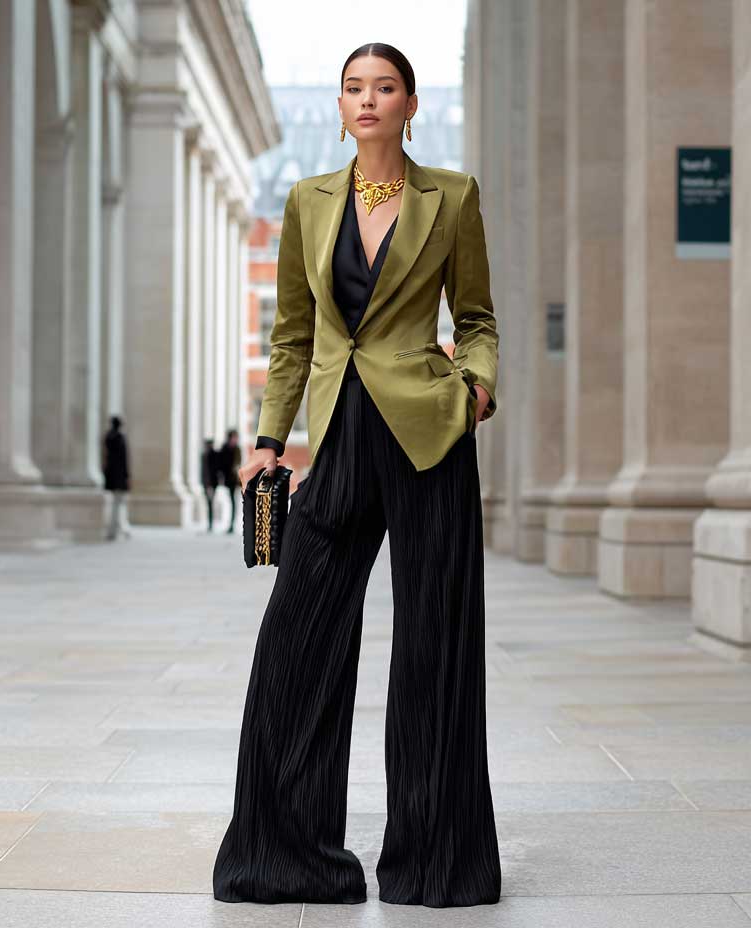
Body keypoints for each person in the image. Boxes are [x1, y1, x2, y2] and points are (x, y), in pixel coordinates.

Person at [213, 44, 500, 908]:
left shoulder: (452, 196)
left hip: (429, 436)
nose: (367, 99)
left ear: (409, 104)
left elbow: (476, 317)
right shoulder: (308, 201)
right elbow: (293, 336)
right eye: (353, 87)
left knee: (435, 646)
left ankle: (435, 864)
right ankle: (286, 857)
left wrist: (476, 389)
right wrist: (269, 438)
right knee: (296, 639)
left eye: (384, 87)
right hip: (338, 439)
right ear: (340, 108)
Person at [102, 415, 131, 540]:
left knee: (114, 504)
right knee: (119, 504)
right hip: (119, 477)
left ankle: (115, 529)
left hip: (110, 476)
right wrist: (127, 477)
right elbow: (124, 460)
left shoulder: (108, 437)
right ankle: (120, 528)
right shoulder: (120, 438)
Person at [220, 428, 242, 533]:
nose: (235, 439)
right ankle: (230, 524)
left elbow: (238, 462)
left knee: (233, 501)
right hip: (227, 478)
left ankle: (232, 524)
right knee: (231, 500)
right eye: (233, 437)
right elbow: (221, 463)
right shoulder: (224, 448)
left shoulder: (237, 449)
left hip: (234, 479)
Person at [201, 437, 220, 533]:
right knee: (209, 503)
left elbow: (212, 471)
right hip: (206, 483)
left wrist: (209, 484)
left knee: (210, 503)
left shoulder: (213, 455)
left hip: (211, 484)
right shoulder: (204, 455)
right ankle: (210, 523)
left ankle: (210, 524)